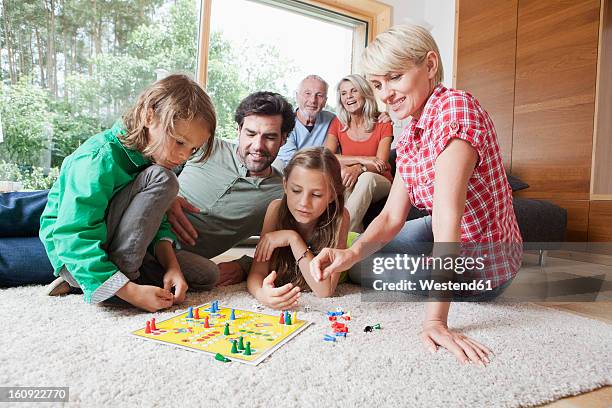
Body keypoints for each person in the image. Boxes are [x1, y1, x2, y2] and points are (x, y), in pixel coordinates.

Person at [310, 24, 522, 365]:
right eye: (378, 85)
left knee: (370, 272)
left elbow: (446, 218)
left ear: (430, 65)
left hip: (483, 260)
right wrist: (348, 254)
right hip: (447, 231)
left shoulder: (456, 111)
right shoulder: (410, 132)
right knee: (359, 254)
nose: (386, 94)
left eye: (395, 77)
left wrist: (436, 321)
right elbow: (392, 217)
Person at [39, 74, 219, 312]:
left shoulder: (152, 156)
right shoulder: (98, 158)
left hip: (122, 248)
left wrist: (172, 266)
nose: (184, 156)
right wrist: (130, 292)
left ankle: (109, 281)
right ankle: (114, 284)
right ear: (148, 116)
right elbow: (73, 235)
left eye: (192, 148)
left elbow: (154, 221)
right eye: (178, 142)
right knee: (164, 180)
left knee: (207, 274)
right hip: (76, 256)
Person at [167, 91, 295, 285]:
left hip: (179, 257)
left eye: (269, 137)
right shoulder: (205, 146)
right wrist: (166, 197)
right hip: (149, 221)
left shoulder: (280, 194)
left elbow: (291, 251)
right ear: (238, 130)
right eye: (250, 134)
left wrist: (244, 266)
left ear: (283, 139)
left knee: (209, 275)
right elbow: (153, 167)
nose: (257, 146)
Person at [247, 147, 349, 309]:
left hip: (351, 246)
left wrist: (293, 238)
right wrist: (262, 295)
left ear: (331, 196)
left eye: (316, 195)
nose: (304, 203)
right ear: (285, 185)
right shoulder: (275, 210)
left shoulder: (340, 217)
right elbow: (257, 272)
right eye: (296, 190)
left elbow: (324, 290)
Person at [324, 74, 394, 232]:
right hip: (352, 178)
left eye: (353, 91)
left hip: (380, 181)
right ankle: (354, 234)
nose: (348, 97)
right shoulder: (338, 123)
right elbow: (326, 157)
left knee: (366, 178)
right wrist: (362, 160)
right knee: (344, 176)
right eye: (343, 93)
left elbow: (381, 164)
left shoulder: (383, 123)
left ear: (364, 93)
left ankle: (340, 235)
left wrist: (359, 168)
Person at [274, 75, 335, 169]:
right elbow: (291, 159)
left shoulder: (332, 120)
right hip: (294, 171)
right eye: (307, 93)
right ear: (297, 96)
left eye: (319, 95)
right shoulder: (285, 122)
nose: (313, 100)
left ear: (325, 101)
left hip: (324, 172)